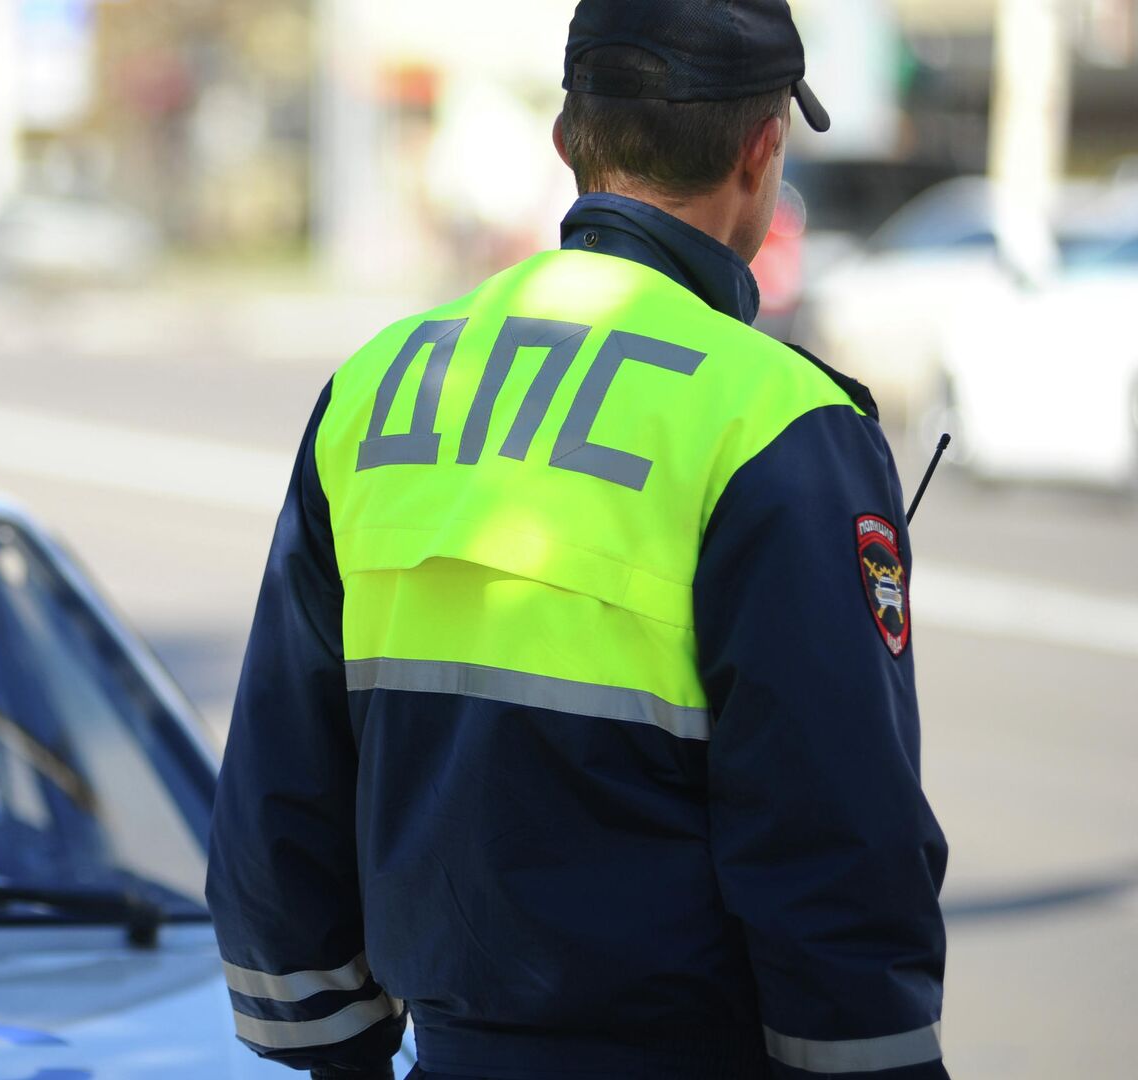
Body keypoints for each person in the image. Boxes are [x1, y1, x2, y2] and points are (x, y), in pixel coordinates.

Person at [206, 3, 948, 1079]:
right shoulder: (776, 420)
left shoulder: (380, 383)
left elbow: (283, 767)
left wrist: (336, 1047)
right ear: (761, 150)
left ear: (568, 143)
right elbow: (832, 834)